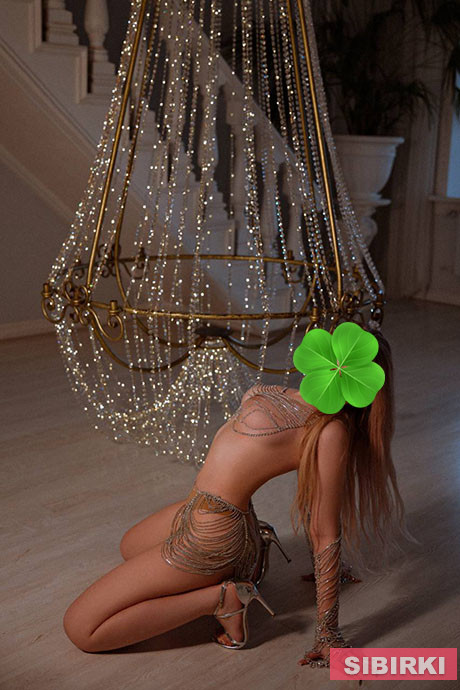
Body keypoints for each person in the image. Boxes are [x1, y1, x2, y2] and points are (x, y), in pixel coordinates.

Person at [63, 326, 410, 668]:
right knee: (130, 546)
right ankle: (250, 557)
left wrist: (328, 633)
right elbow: (256, 397)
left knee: (83, 629)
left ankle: (224, 599)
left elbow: (325, 531)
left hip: (212, 536)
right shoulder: (281, 394)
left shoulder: (330, 433)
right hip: (206, 512)